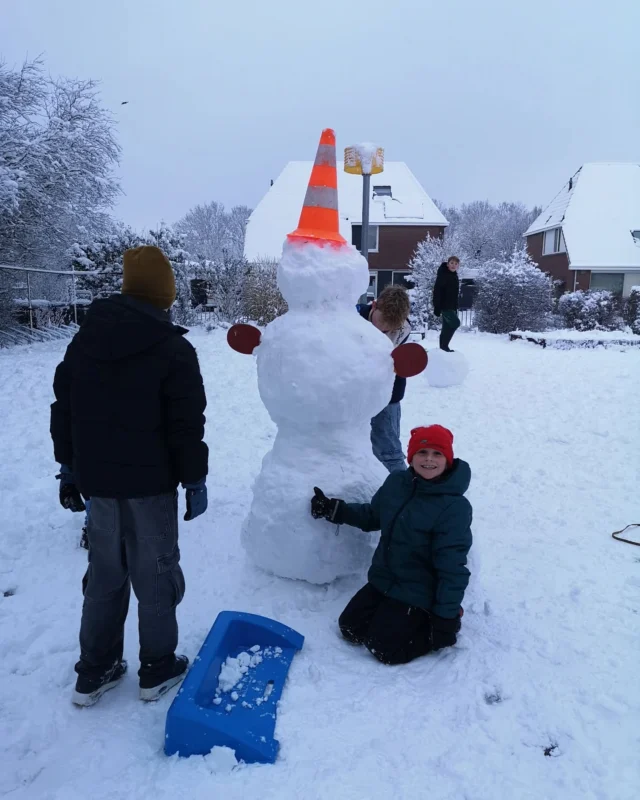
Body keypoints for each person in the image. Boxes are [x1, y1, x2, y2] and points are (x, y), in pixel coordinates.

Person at [50, 245, 209, 707]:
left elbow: (65, 409)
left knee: (105, 573)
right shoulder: (173, 349)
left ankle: (95, 669)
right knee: (156, 574)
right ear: (164, 291)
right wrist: (194, 480)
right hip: (150, 487)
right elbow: (186, 425)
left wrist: (69, 468)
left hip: (98, 484)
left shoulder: (84, 341)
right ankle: (157, 667)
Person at [311, 424, 472, 665]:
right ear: (411, 456)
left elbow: (453, 568)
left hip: (419, 591)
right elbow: (373, 516)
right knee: (349, 629)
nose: (429, 459)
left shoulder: (454, 507)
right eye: (422, 452)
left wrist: (445, 620)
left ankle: (429, 624)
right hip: (384, 579)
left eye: (437, 454)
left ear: (447, 459)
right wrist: (336, 510)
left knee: (385, 649)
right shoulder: (398, 483)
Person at [359, 285, 412, 472]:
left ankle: (403, 486)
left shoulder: (404, 328)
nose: (383, 330)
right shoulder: (352, 318)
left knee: (387, 447)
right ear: (374, 305)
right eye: (381, 322)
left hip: (388, 393)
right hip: (353, 392)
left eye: (390, 328)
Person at [433, 256, 461, 352]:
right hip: (445, 306)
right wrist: (437, 307)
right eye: (452, 263)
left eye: (456, 264)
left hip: (452, 306)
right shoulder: (443, 275)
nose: (454, 265)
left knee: (446, 327)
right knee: (455, 323)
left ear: (458, 266)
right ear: (448, 264)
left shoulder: (454, 276)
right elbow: (437, 291)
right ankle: (444, 346)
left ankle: (443, 348)